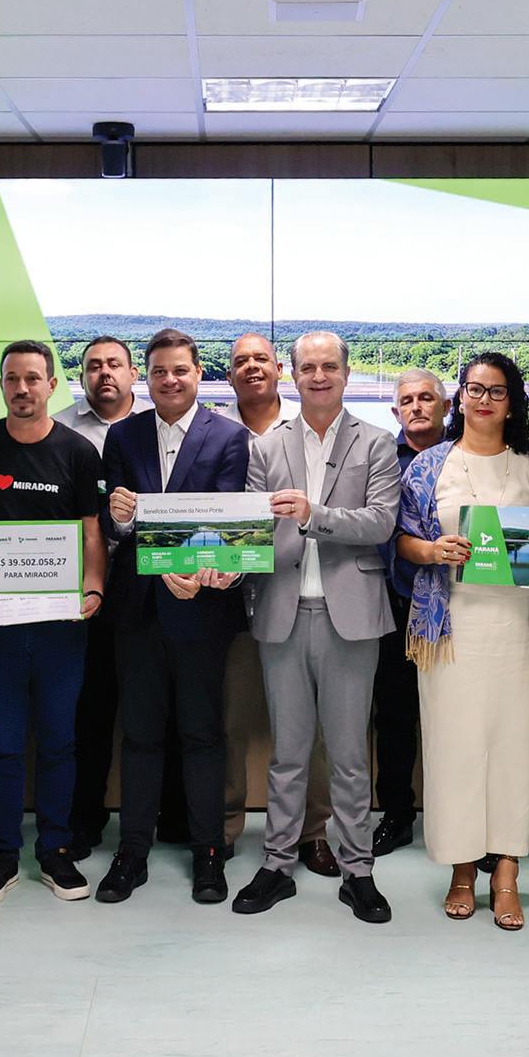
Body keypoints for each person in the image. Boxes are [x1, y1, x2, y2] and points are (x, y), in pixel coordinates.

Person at [395, 352, 529, 931]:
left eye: (497, 391)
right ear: (460, 397)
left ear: (512, 402)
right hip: (450, 631)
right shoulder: (430, 466)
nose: (484, 400)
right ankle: (462, 870)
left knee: (517, 749)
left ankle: (507, 875)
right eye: (475, 389)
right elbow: (402, 540)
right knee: (456, 750)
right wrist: (432, 550)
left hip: (522, 631)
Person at [231, 332, 398, 924]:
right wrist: (222, 564)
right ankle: (277, 864)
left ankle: (359, 873)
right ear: (292, 374)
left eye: (330, 366)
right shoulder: (265, 448)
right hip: (282, 613)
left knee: (350, 756)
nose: (319, 376)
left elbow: (380, 523)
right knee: (288, 754)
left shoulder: (376, 442)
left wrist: (314, 515)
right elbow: (251, 530)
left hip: (351, 618)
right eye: (308, 367)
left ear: (347, 374)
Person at [95, 327, 250, 905]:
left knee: (202, 733)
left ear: (198, 373)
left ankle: (208, 853)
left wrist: (191, 570)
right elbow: (112, 524)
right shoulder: (123, 435)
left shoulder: (229, 437)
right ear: (146, 377)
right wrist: (119, 517)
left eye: (180, 370)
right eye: (159, 371)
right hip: (137, 610)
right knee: (138, 735)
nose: (169, 380)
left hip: (202, 605)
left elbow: (228, 522)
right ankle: (132, 852)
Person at [0, 340, 105, 904]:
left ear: (50, 385)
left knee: (60, 741)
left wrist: (95, 586)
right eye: (12, 379)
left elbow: (91, 531)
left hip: (62, 623)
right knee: (4, 742)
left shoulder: (78, 451)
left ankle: (55, 851)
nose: (22, 388)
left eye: (33, 378)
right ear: (1, 385)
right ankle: (2, 854)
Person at [215, 331, 334, 875]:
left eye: (261, 358)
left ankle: (313, 832)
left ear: (279, 369)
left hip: (301, 596)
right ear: (229, 374)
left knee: (310, 731)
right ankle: (224, 827)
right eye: (241, 361)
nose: (252, 367)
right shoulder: (213, 432)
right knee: (230, 722)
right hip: (232, 602)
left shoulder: (312, 425)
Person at [53, 336, 148, 855]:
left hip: (145, 590)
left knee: (149, 711)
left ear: (133, 373)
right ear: (81, 375)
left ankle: (157, 819)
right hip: (77, 594)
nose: (104, 373)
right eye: (93, 366)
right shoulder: (60, 429)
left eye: (114, 364)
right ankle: (84, 819)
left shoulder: (155, 425)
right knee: (87, 713)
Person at [372, 369, 446, 857]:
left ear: (446, 406)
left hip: (457, 606)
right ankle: (397, 814)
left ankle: (457, 820)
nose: (416, 407)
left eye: (426, 398)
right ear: (395, 411)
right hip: (393, 604)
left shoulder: (467, 455)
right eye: (407, 401)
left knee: (455, 716)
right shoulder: (380, 456)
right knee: (394, 717)